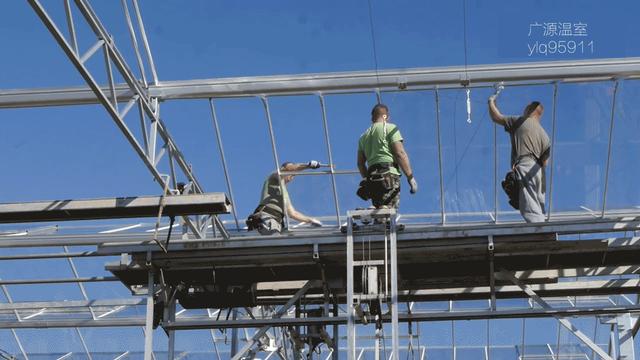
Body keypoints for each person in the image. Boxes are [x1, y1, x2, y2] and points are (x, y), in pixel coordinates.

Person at [488, 96, 550, 222]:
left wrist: (490, 101)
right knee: (537, 206)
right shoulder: (545, 136)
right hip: (538, 172)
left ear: (529, 110)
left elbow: (496, 117)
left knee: (530, 209)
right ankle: (542, 227)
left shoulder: (521, 121)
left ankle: (539, 234)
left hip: (526, 165)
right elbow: (545, 163)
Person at [357, 103, 418, 209]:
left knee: (379, 213)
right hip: (389, 176)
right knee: (389, 213)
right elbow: (400, 154)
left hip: (372, 178)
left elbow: (360, 164)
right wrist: (410, 177)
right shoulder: (390, 128)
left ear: (372, 117)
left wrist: (367, 180)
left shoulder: (363, 136)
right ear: (386, 116)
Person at [246, 161, 323, 235]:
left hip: (276, 222)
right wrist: (308, 165)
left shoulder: (284, 192)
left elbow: (292, 213)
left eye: (294, 176)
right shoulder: (273, 177)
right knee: (275, 242)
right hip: (267, 218)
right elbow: (288, 168)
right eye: (291, 174)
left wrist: (310, 220)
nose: (291, 177)